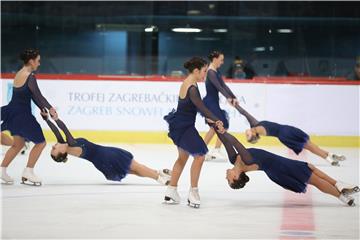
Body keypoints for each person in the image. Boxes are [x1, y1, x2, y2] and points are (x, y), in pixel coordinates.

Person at [211, 127, 359, 206]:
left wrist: (217, 129)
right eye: (229, 180)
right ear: (236, 177)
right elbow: (236, 143)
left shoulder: (233, 159)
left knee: (310, 168)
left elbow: (227, 143)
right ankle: (341, 196)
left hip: (279, 165)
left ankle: (338, 185)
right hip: (281, 169)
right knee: (313, 179)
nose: (226, 177)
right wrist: (224, 131)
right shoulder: (247, 160)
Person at [41, 110, 171, 185]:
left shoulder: (65, 144)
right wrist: (56, 119)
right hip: (107, 155)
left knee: (132, 170)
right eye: (54, 150)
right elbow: (63, 129)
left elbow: (56, 131)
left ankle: (157, 172)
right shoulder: (71, 144)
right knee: (135, 167)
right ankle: (159, 178)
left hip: (101, 161)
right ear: (62, 152)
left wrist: (47, 119)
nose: (53, 146)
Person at [163, 56, 225, 208]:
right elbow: (201, 107)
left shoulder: (190, 83)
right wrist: (216, 119)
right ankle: (193, 192)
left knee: (182, 158)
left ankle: (171, 191)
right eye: (204, 71)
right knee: (200, 155)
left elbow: (196, 107)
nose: (205, 74)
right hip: (184, 128)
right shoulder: (191, 86)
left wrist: (211, 119)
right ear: (196, 71)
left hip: (179, 125)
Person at [1, 49, 57, 185]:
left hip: (13, 111)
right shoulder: (30, 76)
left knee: (18, 144)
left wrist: (43, 109)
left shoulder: (20, 73)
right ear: (31, 61)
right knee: (41, 142)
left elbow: (32, 96)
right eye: (38, 61)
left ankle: (2, 170)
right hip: (22, 115)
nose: (39, 64)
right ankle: (28, 171)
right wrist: (50, 109)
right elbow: (38, 95)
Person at [235, 104, 345, 166]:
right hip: (285, 133)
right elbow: (245, 114)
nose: (246, 133)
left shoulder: (254, 126)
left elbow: (244, 113)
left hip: (285, 132)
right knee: (309, 145)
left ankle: (330, 155)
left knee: (309, 145)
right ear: (253, 134)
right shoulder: (257, 128)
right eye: (248, 135)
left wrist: (235, 105)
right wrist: (236, 105)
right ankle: (329, 158)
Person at [202, 51, 238, 161]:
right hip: (210, 103)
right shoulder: (211, 72)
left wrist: (233, 96)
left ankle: (202, 151)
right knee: (222, 125)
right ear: (215, 59)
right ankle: (215, 150)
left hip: (213, 103)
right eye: (221, 60)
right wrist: (228, 98)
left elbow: (224, 85)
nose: (222, 62)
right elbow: (219, 87)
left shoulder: (215, 71)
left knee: (214, 128)